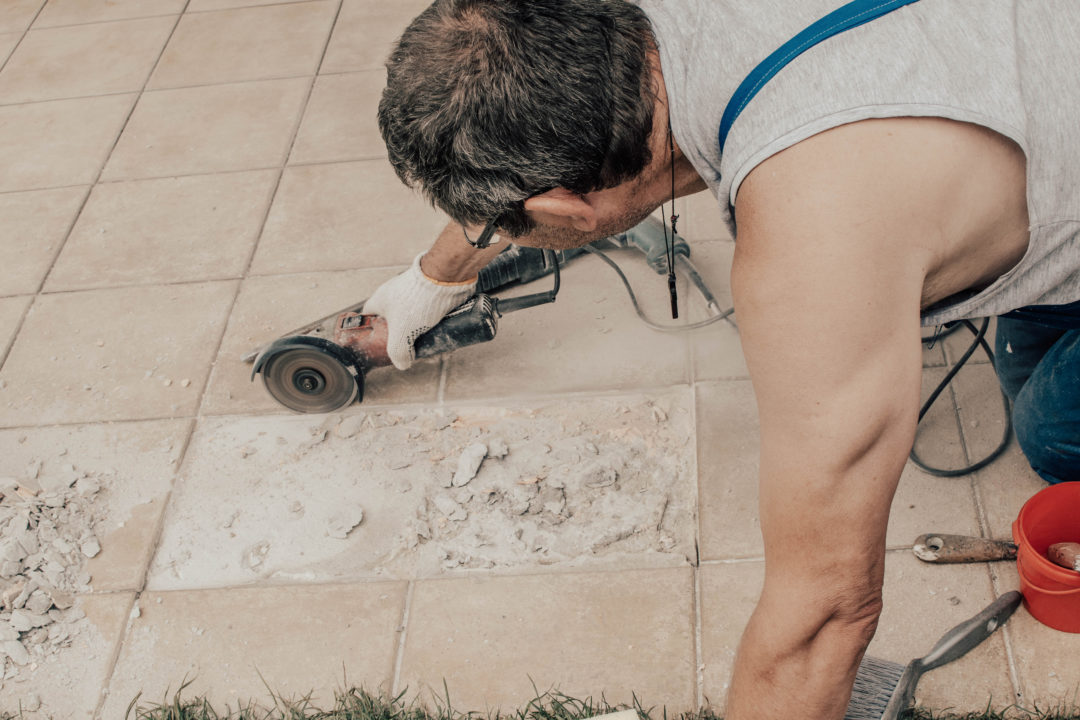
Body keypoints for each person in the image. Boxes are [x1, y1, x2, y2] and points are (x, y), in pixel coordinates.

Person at [363, 1, 1080, 718]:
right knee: (1030, 357)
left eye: (495, 223)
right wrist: (437, 277)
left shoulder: (815, 243)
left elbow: (826, 614)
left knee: (1050, 433)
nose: (489, 234)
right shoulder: (640, 35)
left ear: (566, 208)